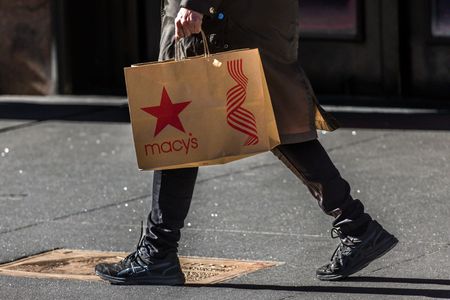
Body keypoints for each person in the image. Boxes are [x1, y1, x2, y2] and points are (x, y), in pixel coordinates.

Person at [95, 0, 398, 285]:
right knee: (267, 117)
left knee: (179, 119)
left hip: (225, 15)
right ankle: (357, 226)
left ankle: (158, 251)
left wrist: (193, 4)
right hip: (249, 15)